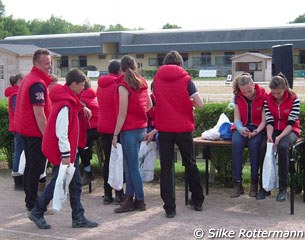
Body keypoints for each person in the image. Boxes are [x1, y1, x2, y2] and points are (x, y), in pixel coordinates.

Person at [29, 68, 98, 229]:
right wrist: (66, 154)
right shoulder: (66, 104)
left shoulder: (67, 98)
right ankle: (38, 210)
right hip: (64, 151)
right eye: (81, 85)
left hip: (66, 149)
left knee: (73, 184)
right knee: (58, 182)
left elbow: (73, 102)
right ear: (73, 84)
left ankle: (78, 216)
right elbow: (62, 132)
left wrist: (82, 107)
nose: (83, 88)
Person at [153, 50, 204, 218]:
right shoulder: (187, 79)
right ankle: (197, 200)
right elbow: (200, 104)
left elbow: (155, 101)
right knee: (190, 163)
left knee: (166, 168)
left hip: (164, 127)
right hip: (183, 127)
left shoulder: (156, 80)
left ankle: (169, 207)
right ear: (181, 64)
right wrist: (187, 103)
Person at [112, 55, 152, 213]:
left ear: (121, 69)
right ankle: (131, 198)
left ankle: (139, 199)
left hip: (128, 129)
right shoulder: (142, 83)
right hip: (141, 127)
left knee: (132, 167)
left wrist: (115, 134)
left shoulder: (123, 86)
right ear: (136, 67)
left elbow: (122, 114)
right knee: (131, 166)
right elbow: (149, 105)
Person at [14, 48, 53, 212]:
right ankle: (33, 204)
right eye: (47, 63)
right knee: (35, 169)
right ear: (37, 63)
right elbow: (39, 113)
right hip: (35, 133)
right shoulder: (37, 83)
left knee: (30, 167)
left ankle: (31, 201)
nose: (49, 66)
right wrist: (47, 136)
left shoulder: (29, 79)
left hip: (25, 130)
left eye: (50, 63)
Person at [258, 73, 300, 202]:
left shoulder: (294, 98)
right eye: (273, 93)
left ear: (285, 88)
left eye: (279, 93)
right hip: (273, 129)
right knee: (264, 147)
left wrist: (280, 137)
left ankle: (283, 188)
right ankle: (264, 187)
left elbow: (291, 123)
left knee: (282, 147)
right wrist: (270, 136)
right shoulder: (267, 99)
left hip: (290, 130)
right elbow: (269, 121)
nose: (276, 96)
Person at [230, 72, 267, 198]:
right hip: (241, 127)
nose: (247, 94)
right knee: (236, 143)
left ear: (253, 85)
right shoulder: (237, 96)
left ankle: (253, 182)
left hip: (258, 128)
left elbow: (264, 120)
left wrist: (257, 131)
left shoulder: (263, 95)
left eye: (249, 91)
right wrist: (240, 129)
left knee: (254, 145)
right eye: (244, 92)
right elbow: (236, 118)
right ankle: (237, 183)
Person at [97, 60, 125, 205]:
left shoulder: (100, 85)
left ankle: (107, 193)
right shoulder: (117, 85)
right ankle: (119, 193)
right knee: (118, 160)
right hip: (115, 127)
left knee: (108, 159)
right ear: (120, 70)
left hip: (102, 125)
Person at [4, 73, 24, 190]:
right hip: (18, 128)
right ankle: (18, 179)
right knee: (19, 152)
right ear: (19, 82)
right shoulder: (16, 95)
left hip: (17, 127)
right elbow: (19, 111)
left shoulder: (14, 94)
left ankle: (19, 178)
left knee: (20, 152)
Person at [78, 78, 99, 186]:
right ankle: (85, 167)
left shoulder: (82, 98)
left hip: (94, 128)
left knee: (81, 143)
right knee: (83, 142)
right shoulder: (92, 95)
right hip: (100, 127)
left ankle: (87, 171)